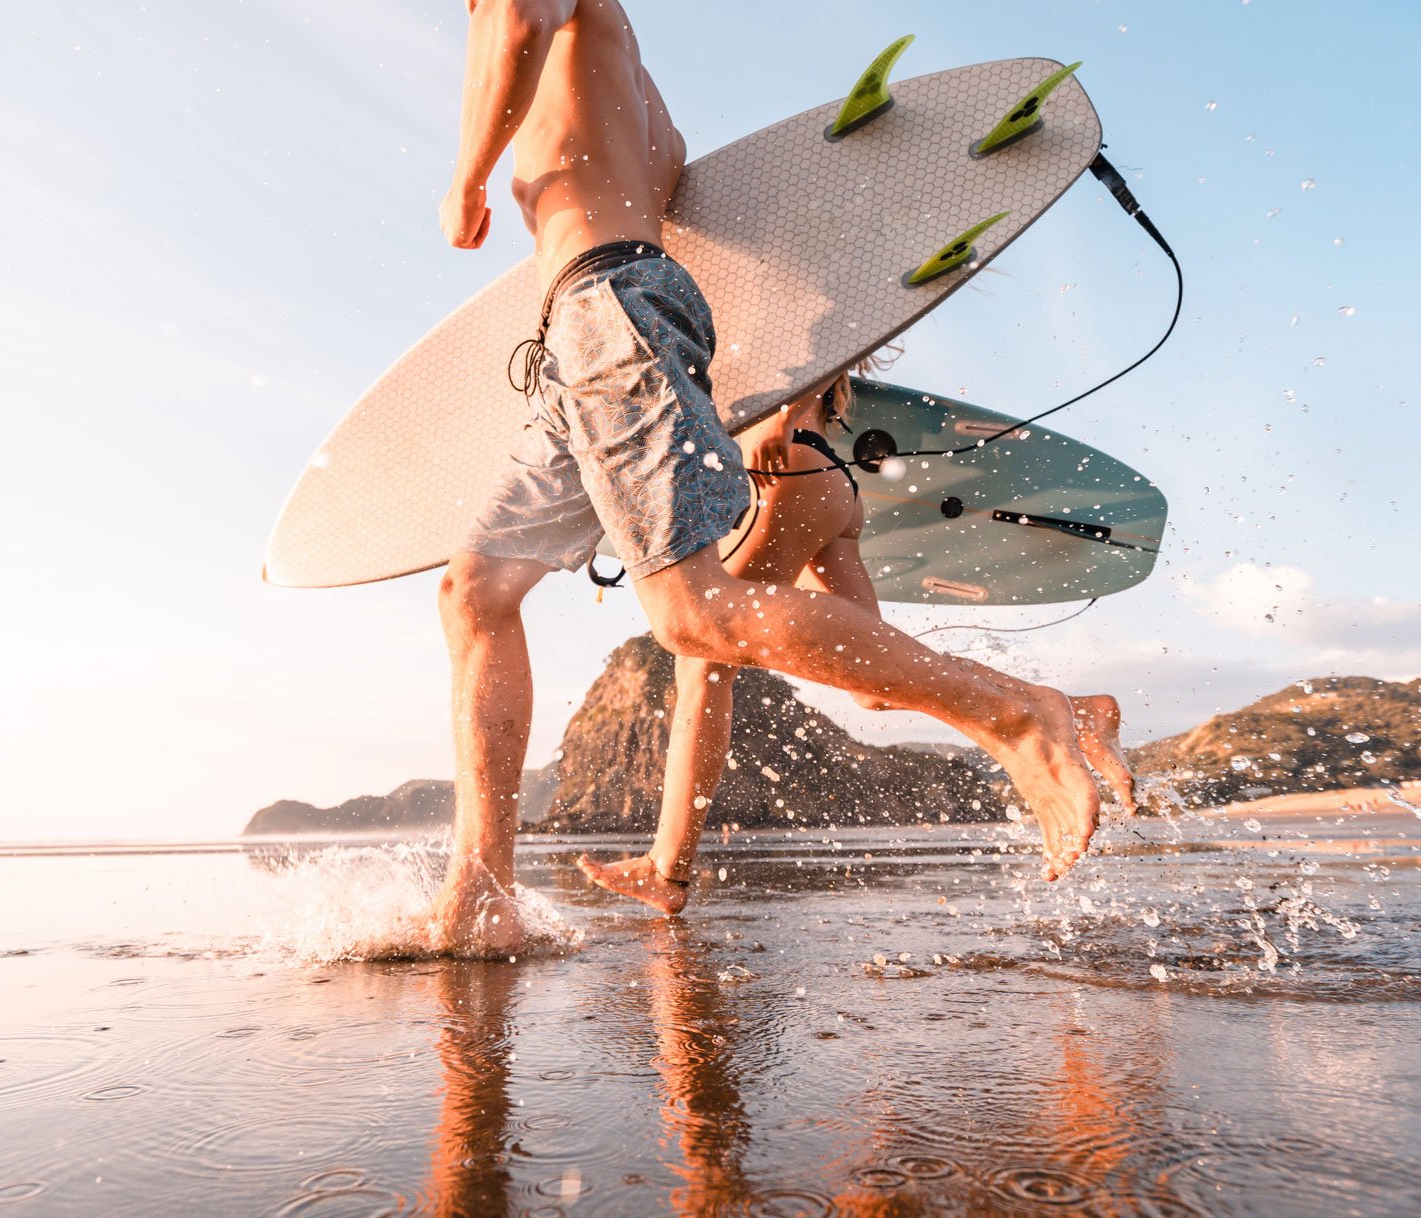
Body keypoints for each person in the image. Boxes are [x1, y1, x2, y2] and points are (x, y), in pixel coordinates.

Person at [430, 0, 1101, 957]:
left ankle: (1017, 714)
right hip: (582, 329)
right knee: (474, 590)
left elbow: (522, 19)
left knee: (693, 616)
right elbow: (663, 185)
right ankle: (481, 891)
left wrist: (468, 177)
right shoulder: (632, 84)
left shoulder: (554, 31)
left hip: (607, 307)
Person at [577, 363, 1139, 915]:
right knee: (874, 680)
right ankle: (1074, 711)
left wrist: (782, 414)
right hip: (828, 483)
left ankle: (667, 867)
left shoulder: (737, 291)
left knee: (702, 656)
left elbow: (817, 337)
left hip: (783, 467)